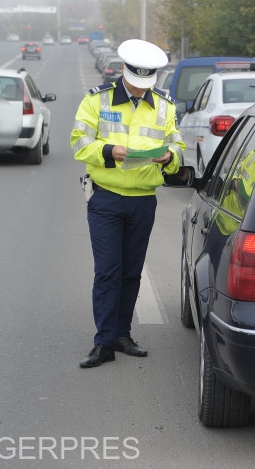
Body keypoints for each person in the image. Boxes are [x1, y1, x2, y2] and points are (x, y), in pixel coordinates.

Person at [70, 39, 186, 368]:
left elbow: (178, 144)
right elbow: (79, 142)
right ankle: (104, 341)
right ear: (123, 70)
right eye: (135, 84)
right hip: (105, 197)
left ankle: (123, 334)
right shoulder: (96, 100)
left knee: (131, 273)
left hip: (143, 200)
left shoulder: (164, 105)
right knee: (108, 271)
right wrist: (109, 152)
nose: (138, 91)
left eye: (144, 86)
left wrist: (169, 157)